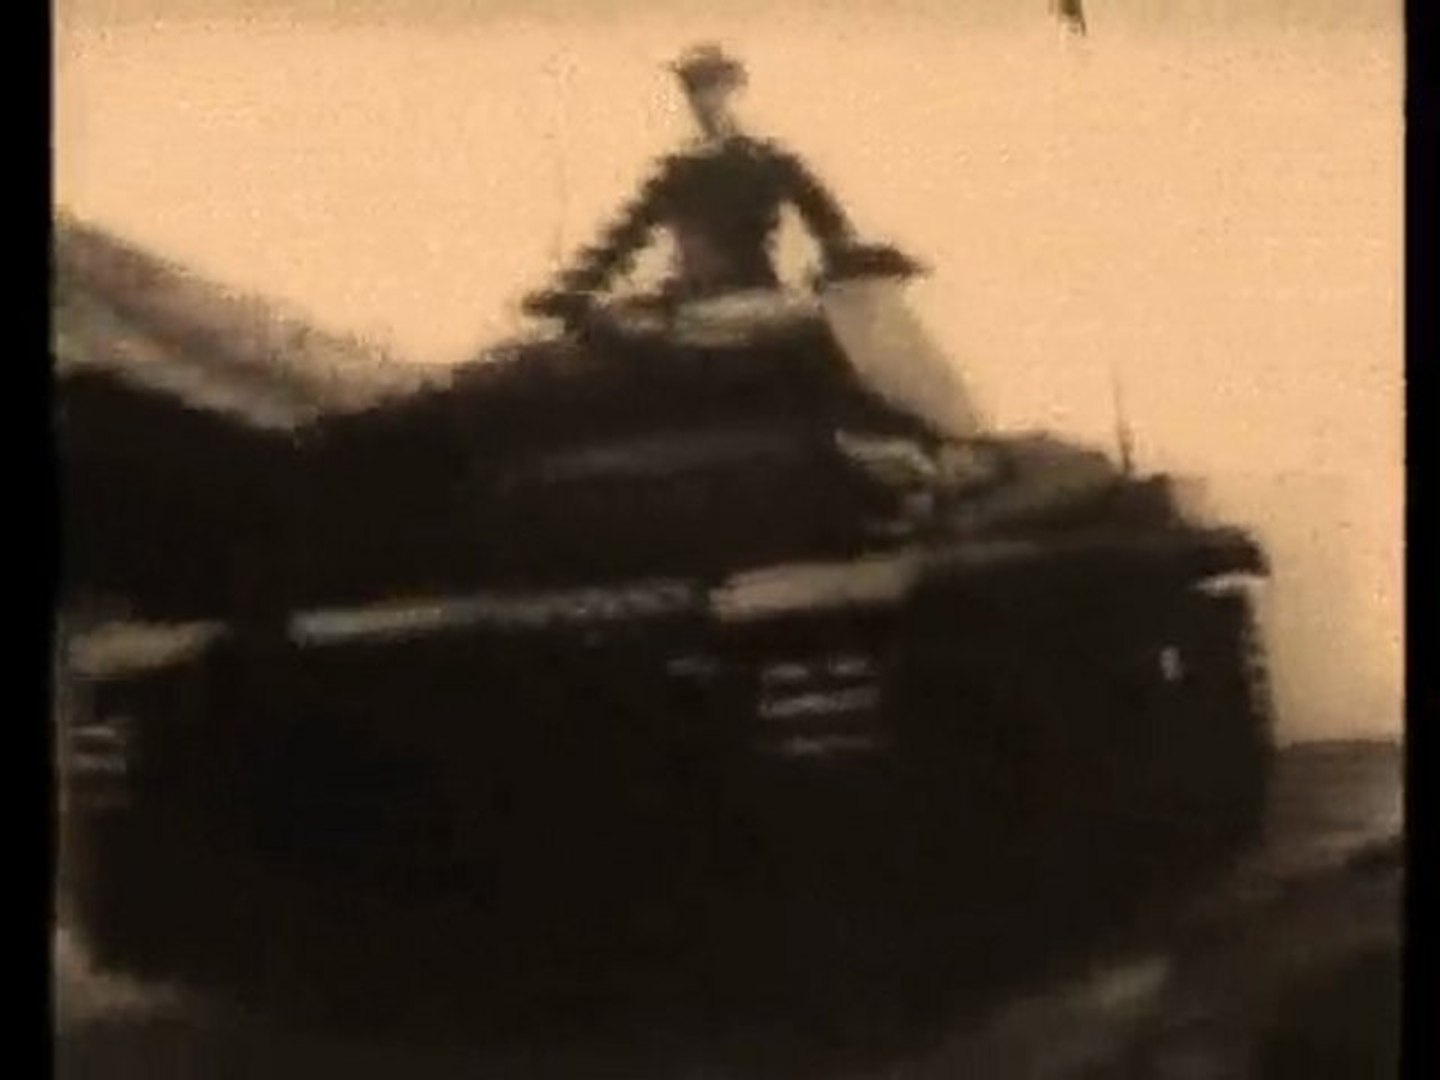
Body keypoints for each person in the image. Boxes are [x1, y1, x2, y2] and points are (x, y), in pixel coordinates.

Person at [523, 44, 881, 322]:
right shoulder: (678, 170)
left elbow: (832, 228)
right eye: (693, 88)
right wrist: (574, 286)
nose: (702, 100)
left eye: (712, 85)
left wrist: (857, 263)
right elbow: (621, 239)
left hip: (755, 297)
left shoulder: (772, 162)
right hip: (690, 303)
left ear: (734, 90)